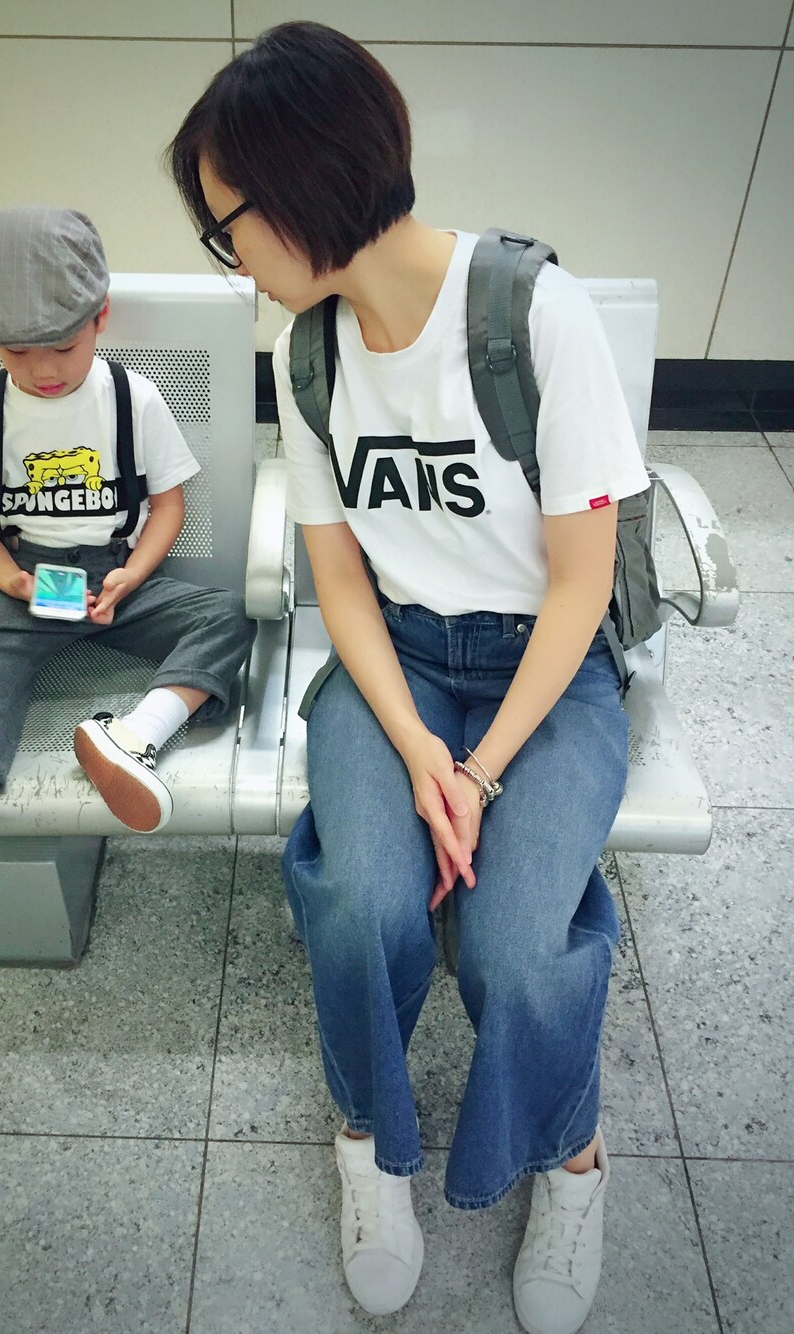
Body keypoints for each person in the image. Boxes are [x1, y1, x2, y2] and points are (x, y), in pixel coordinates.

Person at [170, 22, 650, 1334]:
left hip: (545, 671)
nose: (230, 258)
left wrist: (479, 770)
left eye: (225, 226)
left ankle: (572, 1155)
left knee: (517, 945)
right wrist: (424, 750)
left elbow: (579, 585)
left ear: (305, 186)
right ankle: (367, 1136)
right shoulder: (310, 351)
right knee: (363, 903)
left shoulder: (532, 314)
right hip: (396, 658)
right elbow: (338, 580)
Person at [0, 205, 255, 920]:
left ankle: (132, 739)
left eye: (63, 348)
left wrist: (135, 573)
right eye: (16, 353)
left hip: (118, 579)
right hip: (24, 583)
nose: (42, 370)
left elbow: (168, 507)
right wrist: (10, 579)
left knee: (227, 615)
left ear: (100, 319)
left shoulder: (133, 398)